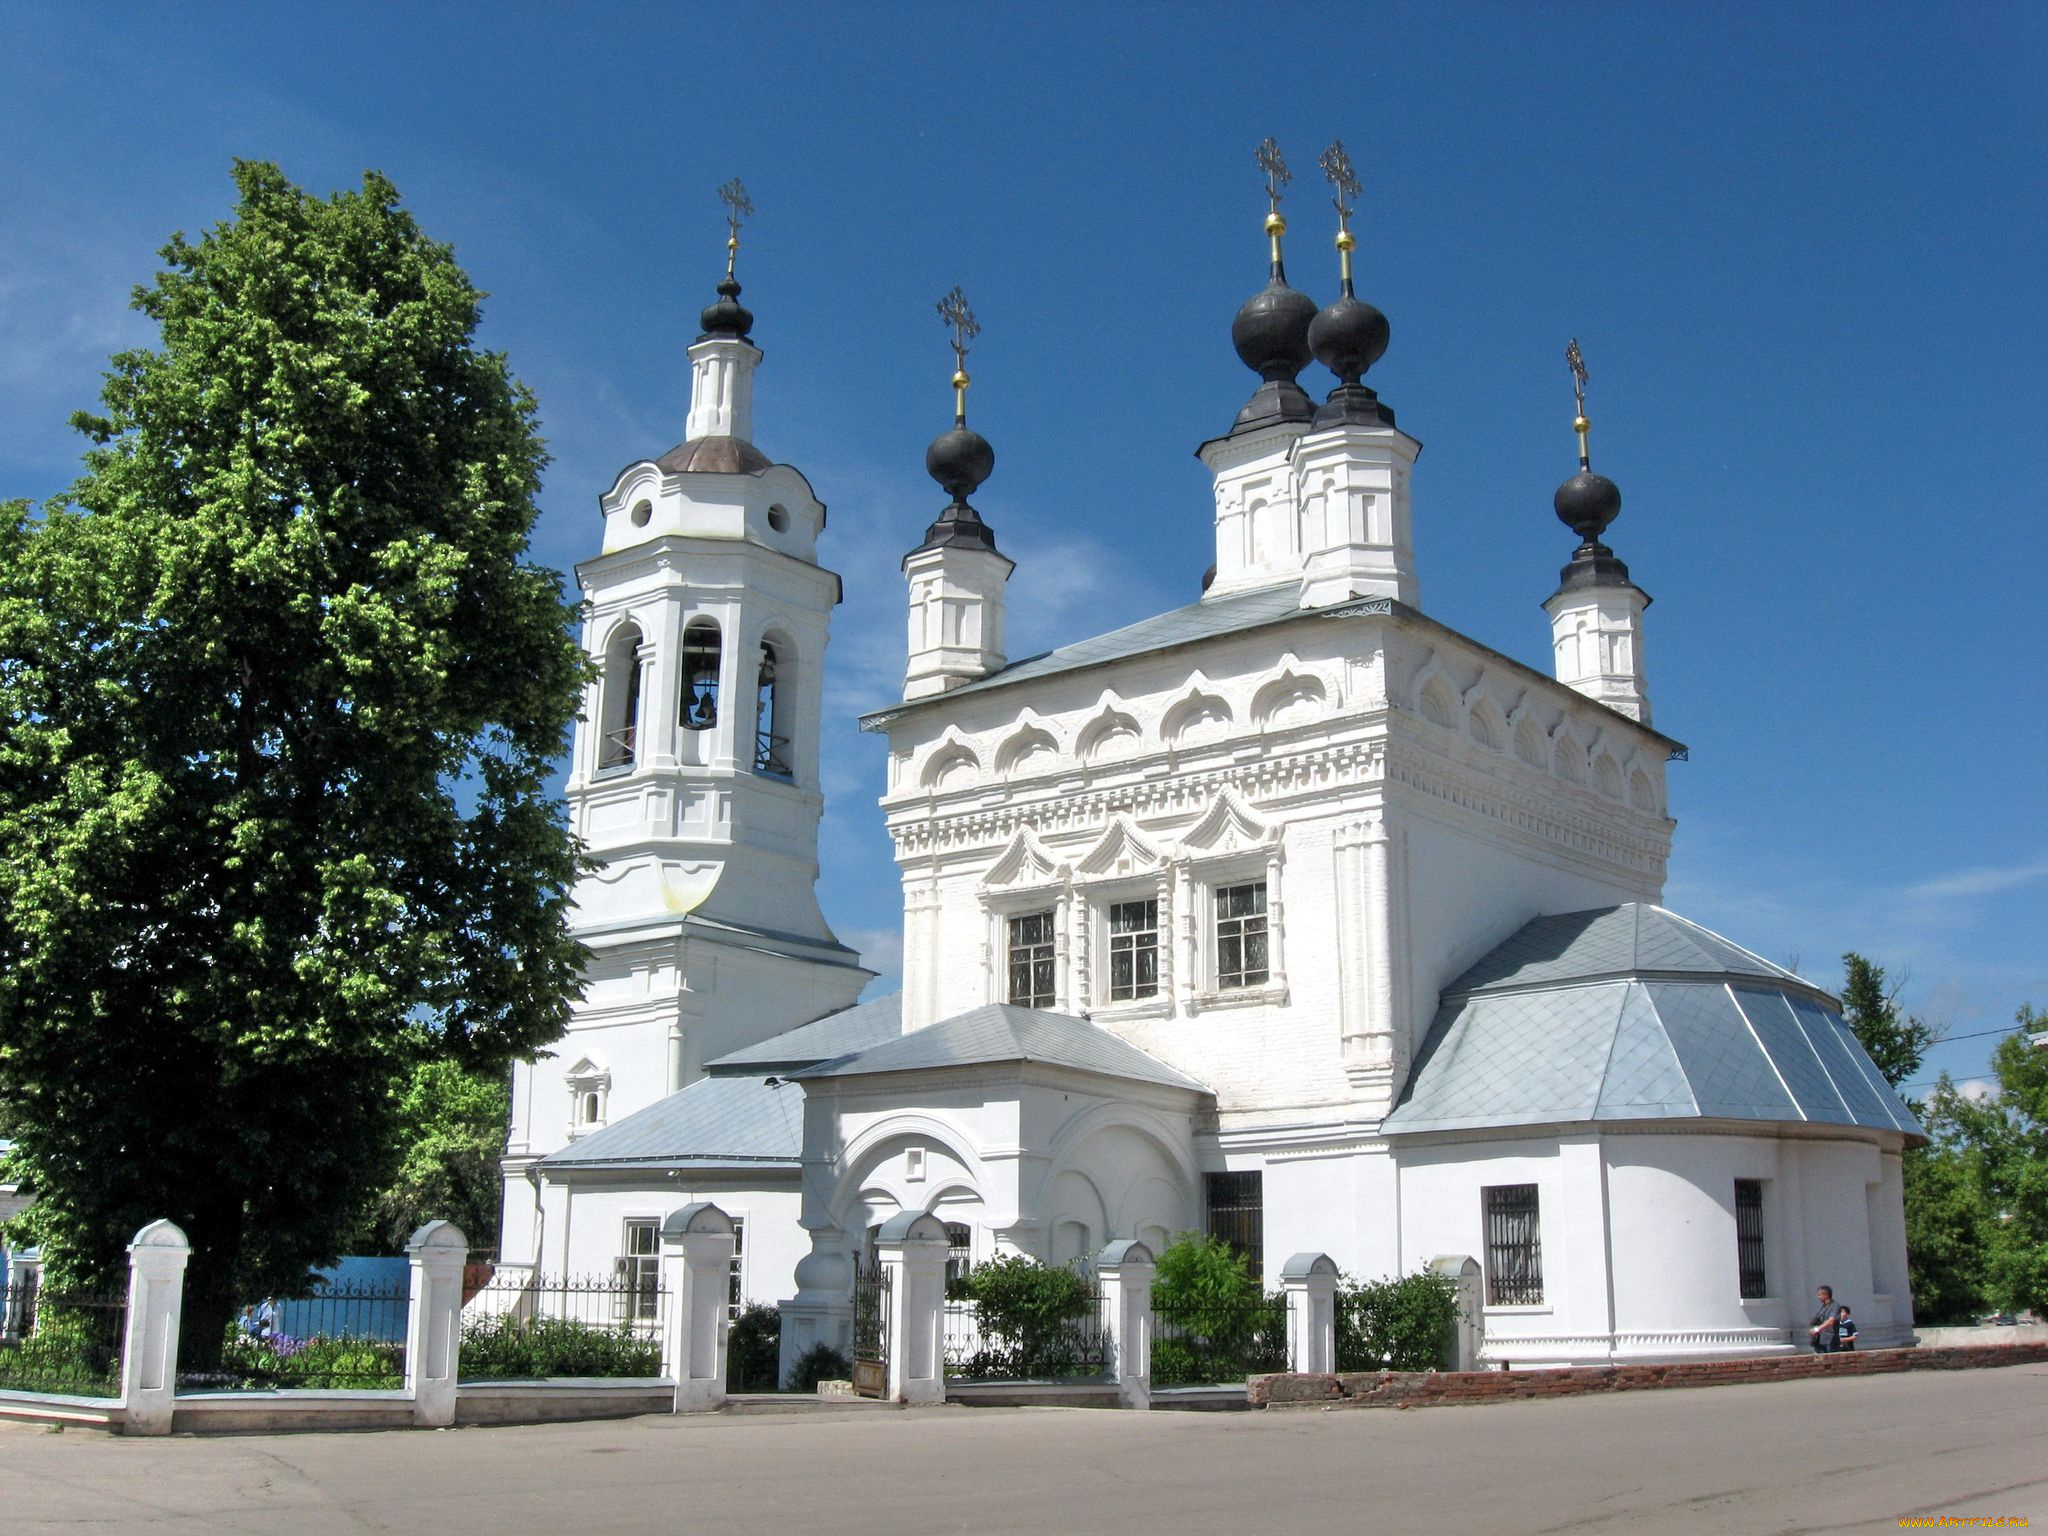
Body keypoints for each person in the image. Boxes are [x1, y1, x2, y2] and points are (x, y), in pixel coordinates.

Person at [1809, 1284, 1844, 1353]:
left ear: (1826, 1295)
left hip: (1830, 1340)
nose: (1818, 1297)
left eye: (1819, 1295)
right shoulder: (1824, 1307)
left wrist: (1817, 1329)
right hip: (1820, 1340)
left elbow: (1831, 1321)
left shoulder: (1835, 1306)